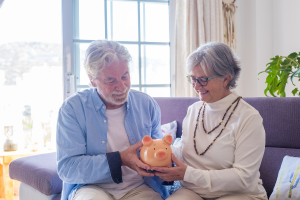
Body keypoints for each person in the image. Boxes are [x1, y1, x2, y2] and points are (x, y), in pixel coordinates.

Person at [153, 42, 268, 200]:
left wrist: (188, 174)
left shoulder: (249, 118)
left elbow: (243, 178)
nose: (196, 86)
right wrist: (160, 152)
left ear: (226, 79)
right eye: (192, 79)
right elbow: (186, 150)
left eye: (202, 79)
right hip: (193, 191)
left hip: (239, 194)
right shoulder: (193, 110)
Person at [56, 40, 169, 200]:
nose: (122, 87)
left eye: (125, 76)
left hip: (140, 187)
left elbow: (159, 149)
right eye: (111, 80)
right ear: (92, 80)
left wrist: (168, 164)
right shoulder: (72, 109)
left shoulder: (147, 104)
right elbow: (68, 168)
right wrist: (119, 159)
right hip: (91, 187)